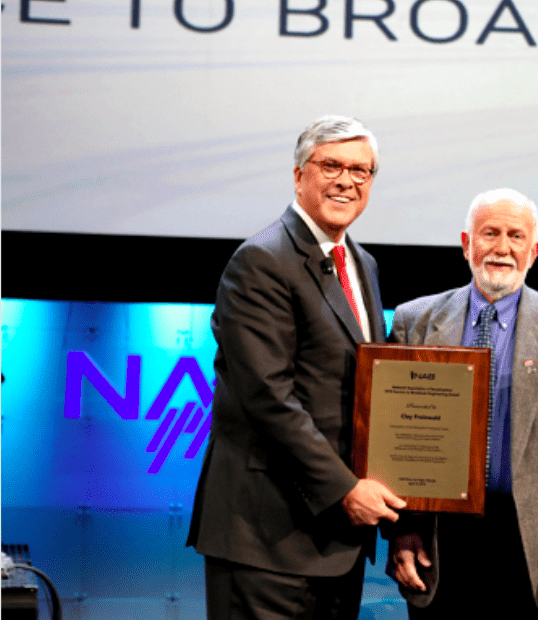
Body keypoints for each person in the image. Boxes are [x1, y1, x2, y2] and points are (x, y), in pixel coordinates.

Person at [187, 115, 406, 620]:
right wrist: (347, 489)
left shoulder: (361, 263)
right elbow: (268, 397)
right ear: (298, 174)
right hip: (266, 534)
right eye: (331, 165)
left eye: (362, 170)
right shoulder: (262, 260)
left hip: (335, 540)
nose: (347, 181)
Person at [387, 188, 538, 618]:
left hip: (530, 543)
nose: (502, 247)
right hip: (438, 540)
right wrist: (402, 531)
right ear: (466, 243)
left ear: (535, 250)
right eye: (490, 233)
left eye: (515, 236)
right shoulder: (414, 320)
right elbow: (397, 439)